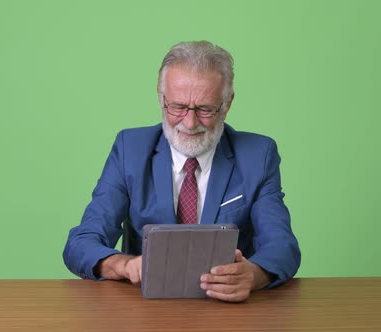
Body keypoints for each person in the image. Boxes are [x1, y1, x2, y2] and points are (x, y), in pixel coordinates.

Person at [63, 41, 301, 302]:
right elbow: (81, 242)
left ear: (227, 104)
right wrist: (125, 265)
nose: (189, 123)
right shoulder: (129, 150)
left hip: (229, 310)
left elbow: (282, 246)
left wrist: (254, 275)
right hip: (144, 309)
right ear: (160, 96)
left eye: (205, 109)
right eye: (177, 106)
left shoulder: (258, 155)